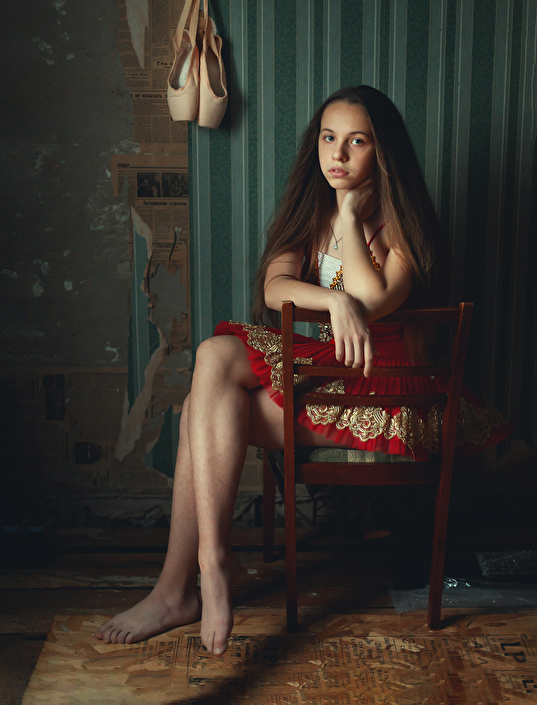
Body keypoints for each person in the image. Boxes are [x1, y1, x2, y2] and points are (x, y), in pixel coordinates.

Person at [95, 85, 511, 655]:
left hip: (390, 392)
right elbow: (275, 287)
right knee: (215, 358)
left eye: (357, 141)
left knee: (199, 409)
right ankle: (209, 562)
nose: (337, 154)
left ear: (382, 152)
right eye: (328, 138)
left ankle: (181, 586)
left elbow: (372, 300)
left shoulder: (403, 227)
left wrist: (349, 218)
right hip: (335, 376)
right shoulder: (311, 214)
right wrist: (331, 299)